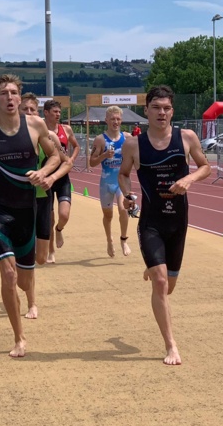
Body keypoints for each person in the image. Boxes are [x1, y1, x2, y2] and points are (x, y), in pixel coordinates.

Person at [0, 74, 60, 357]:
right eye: (4, 93)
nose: (9, 97)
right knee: (8, 274)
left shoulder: (36, 125)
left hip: (27, 213)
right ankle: (19, 338)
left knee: (24, 281)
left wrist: (44, 173)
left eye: (14, 92)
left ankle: (28, 296)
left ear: (20, 97)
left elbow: (55, 157)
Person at [119, 85, 211, 366]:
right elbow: (123, 174)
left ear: (172, 111)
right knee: (160, 283)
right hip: (151, 222)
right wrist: (127, 195)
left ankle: (153, 266)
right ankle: (171, 345)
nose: (162, 113)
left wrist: (189, 179)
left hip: (178, 223)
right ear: (146, 110)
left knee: (168, 287)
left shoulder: (186, 137)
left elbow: (205, 167)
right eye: (156, 108)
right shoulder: (134, 145)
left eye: (167, 108)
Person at [19, 93, 70, 319]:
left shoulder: (48, 136)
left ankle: (24, 270)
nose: (29, 113)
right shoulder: (7, 136)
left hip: (42, 199)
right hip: (18, 202)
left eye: (33, 110)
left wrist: (51, 177)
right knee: (26, 256)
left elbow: (65, 162)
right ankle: (32, 304)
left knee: (40, 258)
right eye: (25, 109)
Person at [89, 106, 133, 257]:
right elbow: (92, 162)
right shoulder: (100, 139)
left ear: (121, 120)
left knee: (123, 209)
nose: (115, 122)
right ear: (106, 120)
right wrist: (104, 156)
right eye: (112, 119)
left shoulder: (127, 137)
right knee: (108, 216)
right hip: (106, 182)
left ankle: (124, 239)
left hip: (121, 181)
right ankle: (109, 240)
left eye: (118, 119)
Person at [43, 99, 80, 263]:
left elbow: (76, 146)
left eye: (59, 111)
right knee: (49, 219)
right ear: (46, 113)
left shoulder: (66, 129)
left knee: (64, 214)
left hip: (62, 176)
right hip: (47, 177)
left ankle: (59, 229)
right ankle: (51, 251)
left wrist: (71, 159)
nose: (58, 114)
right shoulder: (40, 130)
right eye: (55, 112)